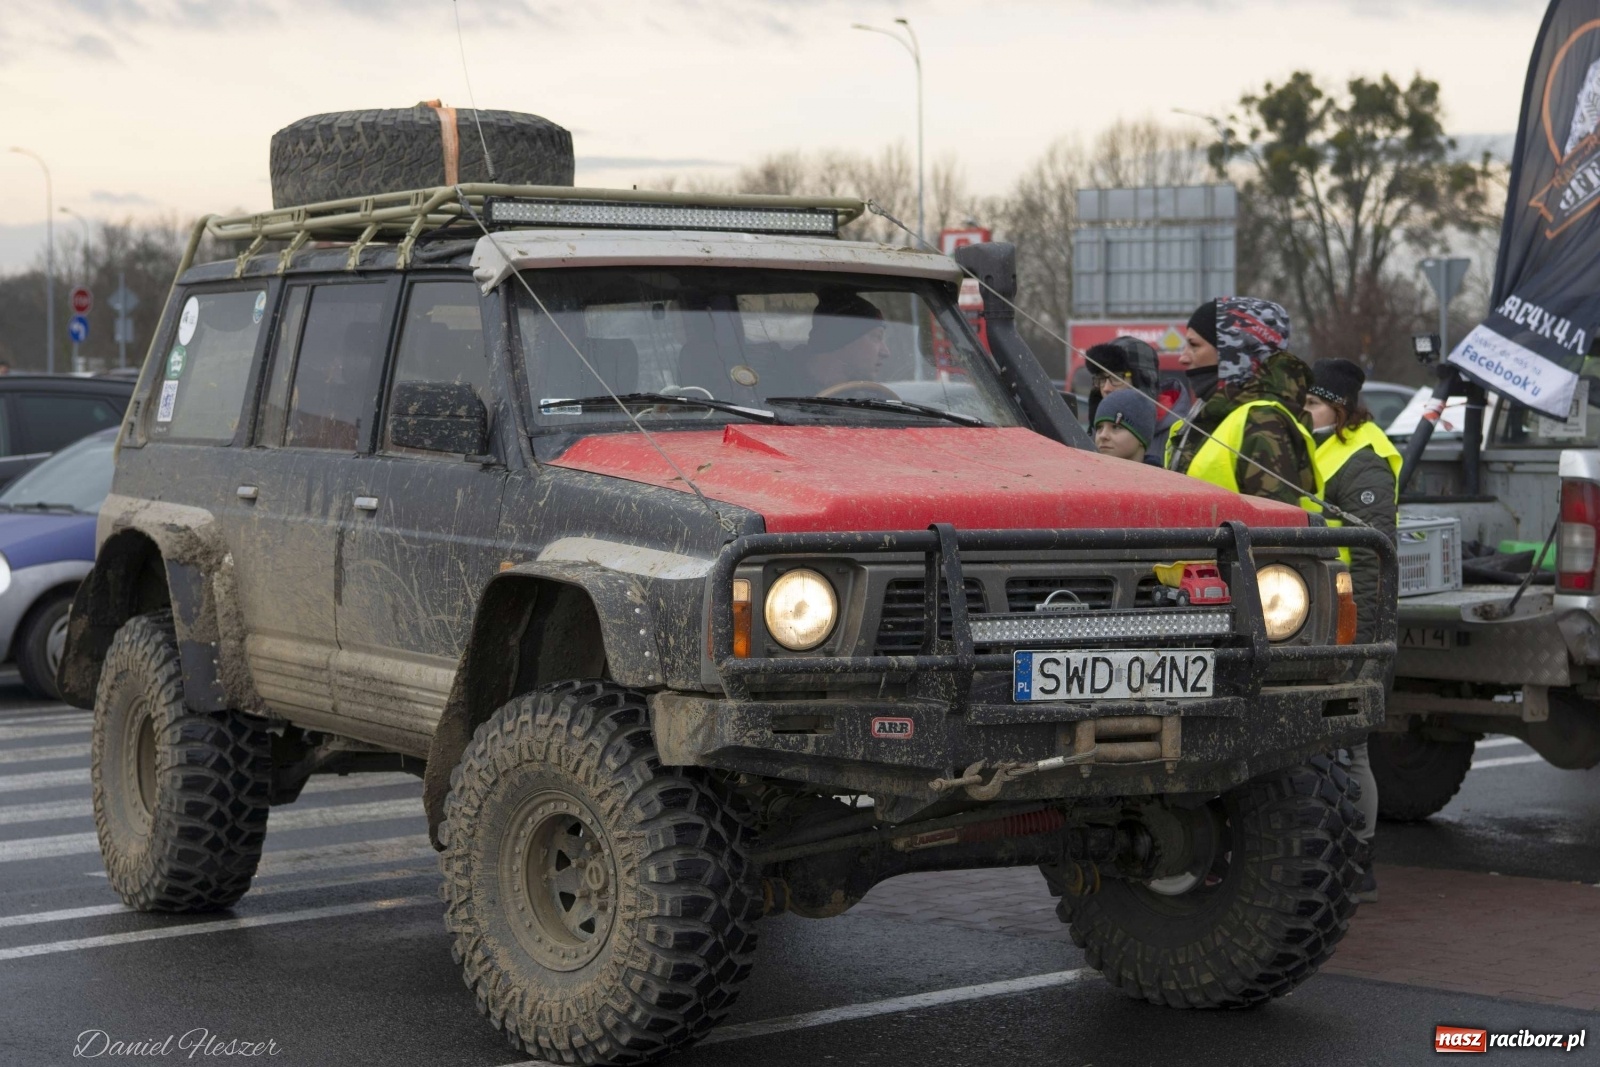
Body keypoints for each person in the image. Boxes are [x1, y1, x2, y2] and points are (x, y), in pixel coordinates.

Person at [1305, 357, 1400, 904]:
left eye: (1314, 405)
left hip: (1351, 621)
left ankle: (1359, 858)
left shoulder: (1363, 460)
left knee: (1352, 748)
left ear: (1338, 408)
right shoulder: (1328, 446)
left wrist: (1360, 639)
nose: (1306, 413)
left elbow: (1371, 558)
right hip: (1322, 615)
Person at [1166, 297, 1321, 508]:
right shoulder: (1207, 415)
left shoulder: (1262, 423)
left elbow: (1276, 533)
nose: (1183, 358)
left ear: (1233, 352)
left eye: (1194, 345)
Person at [1085, 336, 1178, 465]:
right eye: (1101, 378)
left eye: (1117, 377)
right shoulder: (1099, 435)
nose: (1106, 388)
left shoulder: (1177, 434)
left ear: (1144, 380)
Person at [801, 291, 890, 394]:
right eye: (876, 337)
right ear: (841, 339)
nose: (886, 352)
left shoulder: (866, 398)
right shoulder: (782, 390)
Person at [1092, 388, 1154, 463]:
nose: (1103, 435)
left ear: (1142, 436)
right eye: (1099, 427)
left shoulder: (1162, 474)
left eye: (1116, 427)